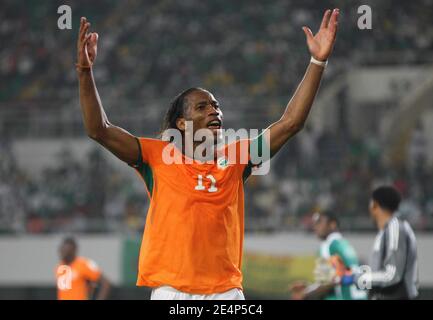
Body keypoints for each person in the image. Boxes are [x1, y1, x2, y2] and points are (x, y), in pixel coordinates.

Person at [75, 9, 339, 300]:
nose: (214, 111)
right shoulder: (155, 155)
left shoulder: (238, 157)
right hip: (171, 291)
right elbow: (99, 129)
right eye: (202, 107)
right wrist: (85, 72)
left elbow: (290, 123)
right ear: (181, 123)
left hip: (224, 293)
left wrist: (318, 61)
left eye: (216, 106)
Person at [290, 211, 366, 300]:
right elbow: (340, 277)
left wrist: (305, 293)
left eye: (319, 222)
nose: (315, 227)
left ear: (332, 224)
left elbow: (327, 282)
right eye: (314, 223)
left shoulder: (328, 246)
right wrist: (309, 287)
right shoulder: (342, 243)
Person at [362, 186, 419, 299]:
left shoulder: (395, 228)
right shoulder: (386, 230)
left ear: (374, 204)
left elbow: (392, 274)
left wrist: (362, 278)